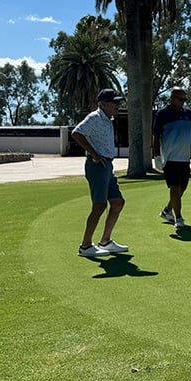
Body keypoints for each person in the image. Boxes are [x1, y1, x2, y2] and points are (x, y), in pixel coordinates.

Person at [71, 89, 129, 258]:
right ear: (103, 104)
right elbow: (76, 133)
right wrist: (94, 154)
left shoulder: (108, 120)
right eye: (114, 103)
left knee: (117, 202)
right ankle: (86, 245)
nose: (118, 106)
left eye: (118, 102)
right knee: (99, 205)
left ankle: (105, 241)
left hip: (107, 166)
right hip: (97, 166)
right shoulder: (94, 118)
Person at [152, 86, 191, 229]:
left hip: (185, 158)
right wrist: (157, 157)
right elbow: (156, 136)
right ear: (172, 98)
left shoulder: (188, 113)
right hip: (170, 157)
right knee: (175, 187)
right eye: (181, 99)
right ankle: (179, 218)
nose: (183, 102)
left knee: (182, 189)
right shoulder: (162, 114)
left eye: (184, 99)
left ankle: (167, 211)